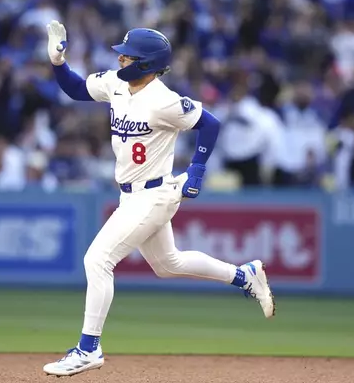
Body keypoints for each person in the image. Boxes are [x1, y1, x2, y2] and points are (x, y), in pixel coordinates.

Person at [42, 20, 276, 377]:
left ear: (147, 64)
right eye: (121, 56)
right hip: (132, 196)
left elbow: (209, 124)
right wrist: (58, 62)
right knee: (169, 264)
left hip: (152, 195)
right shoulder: (115, 85)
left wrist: (197, 169)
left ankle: (88, 348)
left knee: (98, 260)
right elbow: (75, 89)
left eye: (127, 57)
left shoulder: (164, 101)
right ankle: (244, 276)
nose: (120, 61)